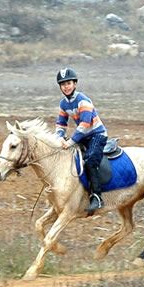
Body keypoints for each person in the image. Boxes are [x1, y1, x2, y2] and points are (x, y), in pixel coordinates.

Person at [55, 67, 108, 215]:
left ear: (75, 84)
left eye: (69, 83)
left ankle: (97, 196)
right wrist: (58, 138)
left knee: (90, 160)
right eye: (63, 84)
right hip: (84, 136)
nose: (66, 87)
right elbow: (61, 124)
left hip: (97, 134)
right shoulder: (63, 104)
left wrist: (70, 142)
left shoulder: (83, 100)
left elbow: (84, 125)